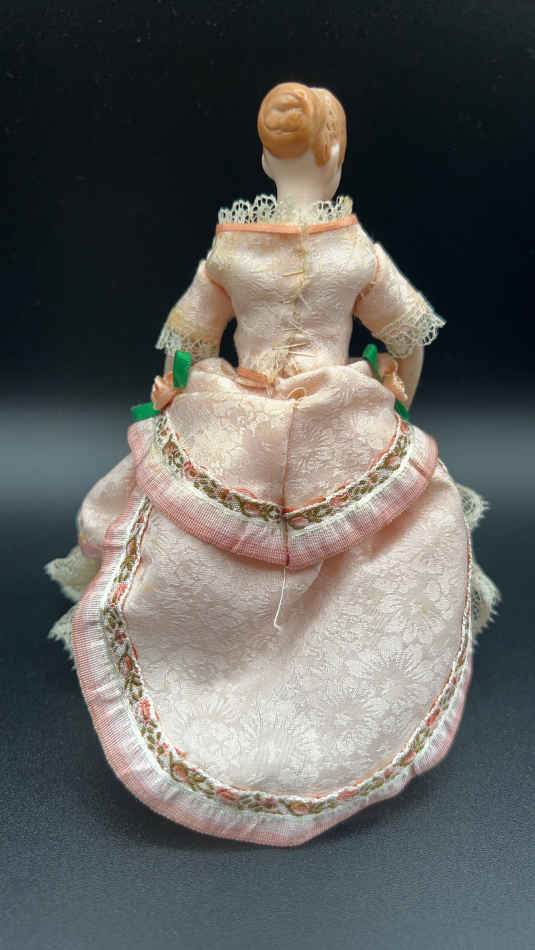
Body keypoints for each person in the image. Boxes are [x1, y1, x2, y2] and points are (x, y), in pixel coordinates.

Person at [46, 82, 499, 847]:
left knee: (195, 526)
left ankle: (201, 663)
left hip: (239, 415)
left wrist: (181, 400)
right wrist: (394, 404)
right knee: (389, 526)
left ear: (264, 158)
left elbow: (188, 342)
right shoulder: (354, 250)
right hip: (339, 419)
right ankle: (336, 683)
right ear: (335, 154)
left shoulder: (232, 248)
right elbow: (406, 338)